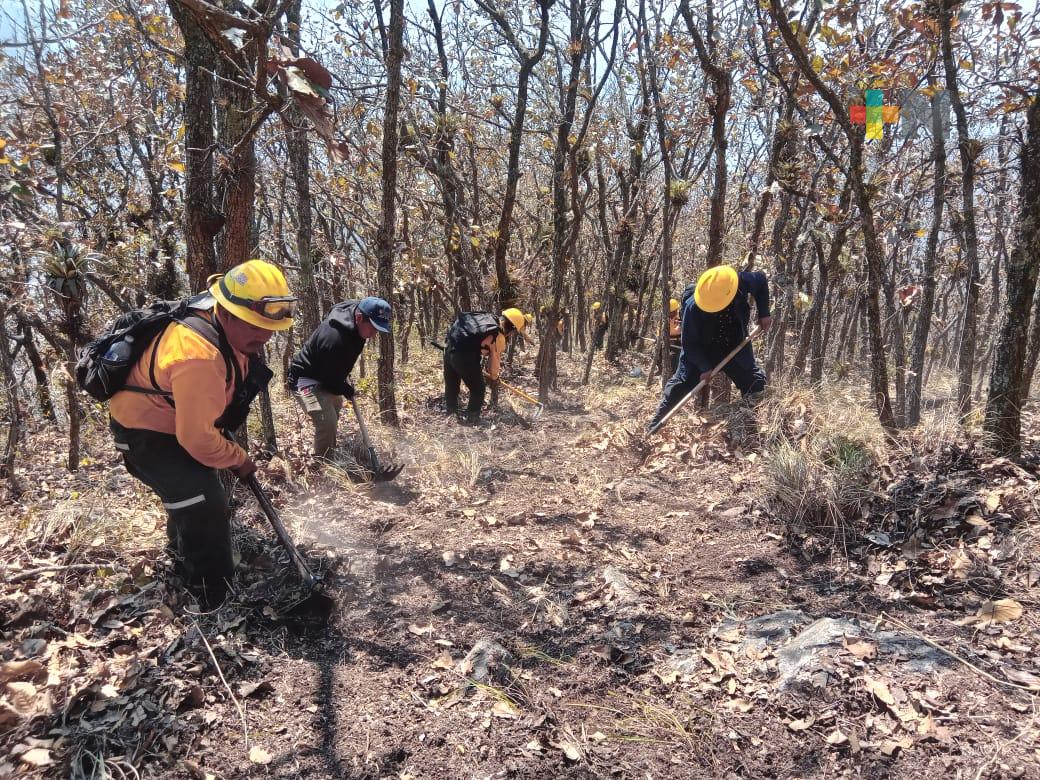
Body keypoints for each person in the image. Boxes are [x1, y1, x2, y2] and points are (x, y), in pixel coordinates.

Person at [109, 259, 296, 606]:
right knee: (204, 502)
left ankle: (182, 554)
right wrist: (238, 458)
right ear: (225, 312)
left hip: (176, 420)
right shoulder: (198, 355)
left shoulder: (221, 322)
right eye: (254, 326)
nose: (264, 336)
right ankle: (212, 596)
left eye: (270, 327)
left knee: (189, 497)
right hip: (145, 433)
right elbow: (196, 439)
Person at [648, 265, 772, 431]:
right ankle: (654, 428)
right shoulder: (692, 307)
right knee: (678, 387)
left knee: (755, 383)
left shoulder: (738, 282)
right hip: (702, 350)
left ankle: (751, 427)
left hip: (735, 345)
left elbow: (761, 281)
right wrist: (704, 366)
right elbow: (689, 344)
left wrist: (764, 313)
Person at [287, 297, 392, 458]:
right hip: (304, 377)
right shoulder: (335, 339)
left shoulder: (356, 309)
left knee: (335, 407)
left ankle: (329, 447)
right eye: (372, 328)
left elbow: (339, 305)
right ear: (359, 318)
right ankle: (324, 462)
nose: (374, 334)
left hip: (328, 371)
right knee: (327, 421)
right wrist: (347, 389)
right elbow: (331, 381)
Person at [443, 308, 527, 423]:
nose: (512, 334)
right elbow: (494, 364)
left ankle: (451, 414)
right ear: (511, 327)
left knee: (452, 385)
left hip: (449, 348)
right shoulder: (498, 336)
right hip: (464, 356)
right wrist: (494, 377)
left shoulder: (487, 319)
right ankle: (472, 419)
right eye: (514, 331)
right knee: (478, 389)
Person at [667, 297, 681, 374]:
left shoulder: (678, 318)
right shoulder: (665, 318)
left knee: (674, 358)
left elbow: (677, 331)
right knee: (660, 356)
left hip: (676, 342)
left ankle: (673, 373)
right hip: (667, 341)